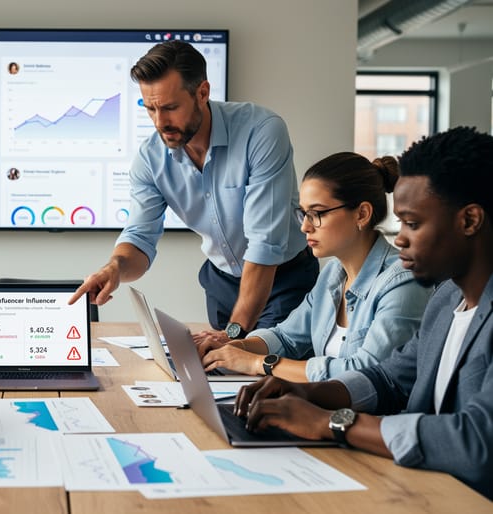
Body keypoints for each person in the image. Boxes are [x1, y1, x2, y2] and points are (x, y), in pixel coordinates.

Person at [235, 127, 493, 500]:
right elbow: (389, 379)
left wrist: (333, 422)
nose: (400, 238)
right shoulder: (447, 300)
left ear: (469, 221)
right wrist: (310, 393)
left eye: (413, 224)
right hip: (422, 488)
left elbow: (476, 440)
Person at [70, 40, 317, 343]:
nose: (160, 122)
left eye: (170, 108)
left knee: (267, 366)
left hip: (283, 278)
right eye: (150, 109)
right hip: (221, 282)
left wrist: (233, 333)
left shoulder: (261, 131)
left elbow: (264, 245)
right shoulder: (150, 159)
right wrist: (115, 268)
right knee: (217, 368)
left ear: (202, 93)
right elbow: (139, 238)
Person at [198, 152, 432, 381]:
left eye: (317, 213)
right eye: (304, 214)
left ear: (362, 214)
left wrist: (257, 363)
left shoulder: (403, 281)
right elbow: (286, 337)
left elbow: (365, 373)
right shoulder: (333, 273)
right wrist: (232, 348)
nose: (305, 227)